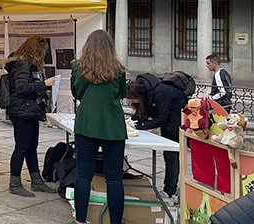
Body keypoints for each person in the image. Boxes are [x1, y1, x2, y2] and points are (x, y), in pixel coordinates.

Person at [71, 30, 127, 224]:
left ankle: (80, 219)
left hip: (86, 124)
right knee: (114, 179)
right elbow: (122, 93)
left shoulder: (78, 67)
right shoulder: (118, 69)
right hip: (113, 127)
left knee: (84, 174)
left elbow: (77, 92)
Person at [4, 35, 55, 197]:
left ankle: (37, 181)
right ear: (36, 50)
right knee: (22, 147)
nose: (43, 55)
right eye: (42, 52)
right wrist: (44, 85)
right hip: (21, 112)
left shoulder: (27, 63)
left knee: (31, 147)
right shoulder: (23, 63)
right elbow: (21, 87)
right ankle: (14, 183)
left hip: (30, 111)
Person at [126, 73, 187, 200]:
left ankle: (170, 190)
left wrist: (139, 126)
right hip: (169, 121)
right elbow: (143, 112)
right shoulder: (147, 90)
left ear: (139, 96)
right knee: (169, 156)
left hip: (176, 122)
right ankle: (171, 189)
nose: (131, 102)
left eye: (132, 99)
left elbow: (160, 119)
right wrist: (131, 120)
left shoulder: (160, 93)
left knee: (171, 155)